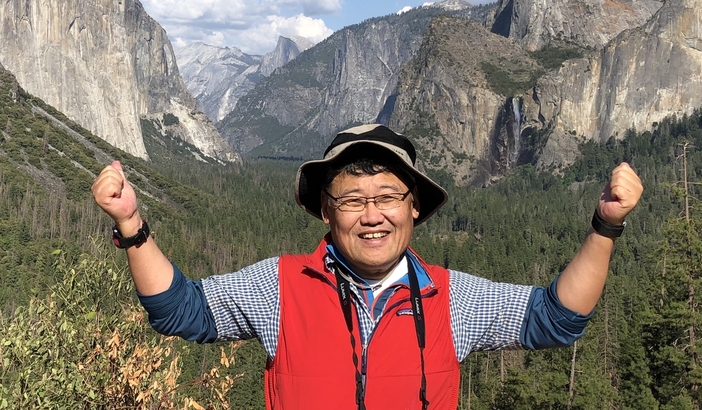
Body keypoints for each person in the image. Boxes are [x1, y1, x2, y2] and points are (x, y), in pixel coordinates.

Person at [92, 123, 643, 410]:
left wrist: (605, 226)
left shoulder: (454, 299)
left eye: (388, 197)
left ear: (414, 206)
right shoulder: (279, 287)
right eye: (353, 200)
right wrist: (132, 223)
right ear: (326, 210)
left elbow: (557, 319)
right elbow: (179, 310)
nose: (373, 215)